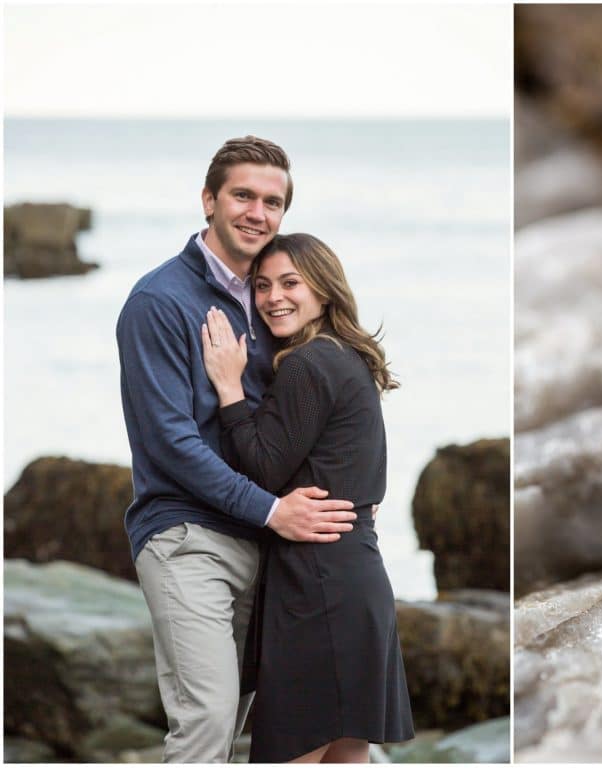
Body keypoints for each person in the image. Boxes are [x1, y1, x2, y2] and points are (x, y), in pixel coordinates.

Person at [116, 137, 358, 763]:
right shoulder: (158, 303)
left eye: (272, 201)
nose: (258, 212)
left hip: (270, 547)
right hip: (187, 536)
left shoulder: (275, 297)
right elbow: (169, 444)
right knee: (207, 719)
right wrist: (274, 510)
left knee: (252, 719)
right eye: (243, 195)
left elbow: (305, 418)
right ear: (208, 201)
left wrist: (358, 494)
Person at [200, 233, 415, 763]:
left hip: (316, 586)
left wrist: (229, 389)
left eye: (291, 283)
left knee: (288, 760)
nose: (275, 297)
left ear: (324, 289)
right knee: (346, 757)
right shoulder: (350, 359)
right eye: (264, 286)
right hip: (358, 575)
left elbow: (264, 467)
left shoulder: (306, 364)